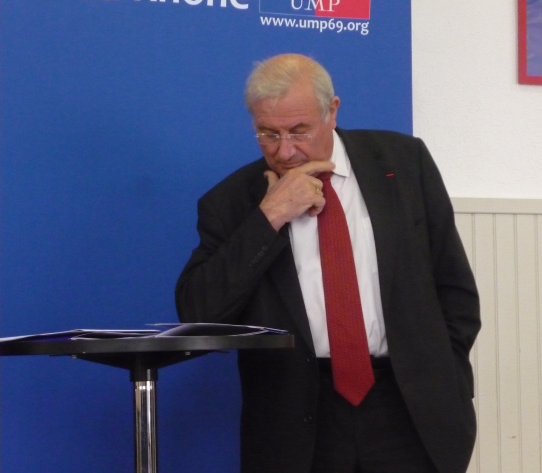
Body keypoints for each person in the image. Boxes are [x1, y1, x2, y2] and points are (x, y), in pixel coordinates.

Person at [175, 53, 481, 473]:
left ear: (332, 111)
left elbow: (455, 288)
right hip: (297, 418)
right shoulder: (232, 202)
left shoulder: (403, 163)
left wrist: (447, 376)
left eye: (299, 131)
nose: (285, 151)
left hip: (410, 407)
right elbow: (199, 312)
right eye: (268, 134)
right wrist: (270, 216)